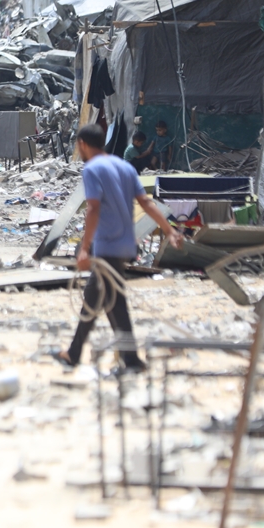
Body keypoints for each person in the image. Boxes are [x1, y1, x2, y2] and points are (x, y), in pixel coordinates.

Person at [54, 124, 184, 373]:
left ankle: (120, 359)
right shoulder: (124, 166)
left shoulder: (92, 169)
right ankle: (83, 353)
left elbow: (93, 208)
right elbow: (146, 202)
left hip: (107, 246)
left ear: (82, 143)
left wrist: (84, 247)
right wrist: (169, 230)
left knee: (107, 302)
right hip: (125, 244)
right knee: (103, 302)